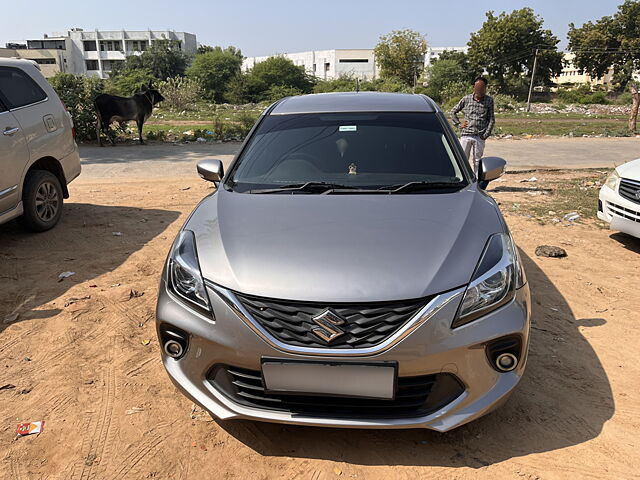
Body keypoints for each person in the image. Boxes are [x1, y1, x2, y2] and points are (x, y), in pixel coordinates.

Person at [450, 77, 495, 183]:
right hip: (466, 135)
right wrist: (459, 125)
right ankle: (461, 181)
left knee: (477, 161)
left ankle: (476, 183)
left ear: (485, 88)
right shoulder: (466, 99)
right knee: (462, 159)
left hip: (479, 136)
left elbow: (491, 119)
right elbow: (453, 112)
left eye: (482, 87)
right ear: (473, 87)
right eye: (478, 87)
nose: (480, 89)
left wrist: (486, 134)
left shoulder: (489, 100)